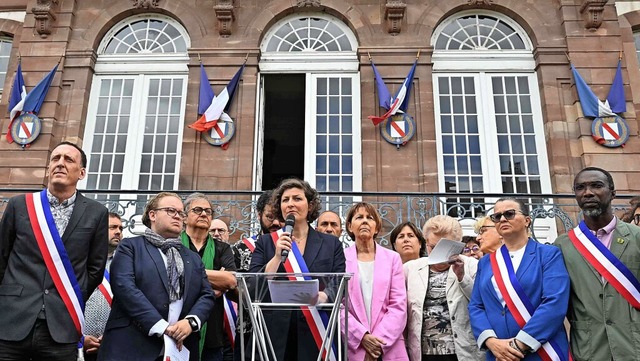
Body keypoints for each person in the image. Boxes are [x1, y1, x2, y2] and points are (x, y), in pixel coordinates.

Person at [0, 141, 108, 361]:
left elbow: (95, 268)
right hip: (11, 320)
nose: (60, 163)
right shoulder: (19, 205)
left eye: (69, 160)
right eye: (55, 159)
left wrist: (70, 296)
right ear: (48, 168)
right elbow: (2, 256)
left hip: (61, 325)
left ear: (82, 173)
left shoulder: (97, 213)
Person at [98, 192, 215, 361]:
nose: (178, 216)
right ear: (152, 215)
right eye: (170, 210)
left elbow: (207, 294)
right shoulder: (130, 247)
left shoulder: (192, 257)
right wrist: (162, 327)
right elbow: (125, 288)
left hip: (180, 347)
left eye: (181, 213)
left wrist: (190, 322)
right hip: (132, 345)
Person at [248, 178, 345, 361]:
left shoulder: (331, 244)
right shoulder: (266, 242)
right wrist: (277, 258)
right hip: (275, 336)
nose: (291, 204)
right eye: (285, 200)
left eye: (297, 198)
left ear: (310, 205)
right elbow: (253, 286)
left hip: (317, 331)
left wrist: (324, 296)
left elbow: (339, 281)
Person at [554, 167, 640, 360]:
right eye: (580, 187)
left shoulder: (636, 238)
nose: (588, 192)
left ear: (613, 193)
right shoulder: (561, 245)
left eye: (596, 185)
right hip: (589, 350)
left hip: (634, 347)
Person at [469, 198, 570, 361]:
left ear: (527, 221)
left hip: (542, 350)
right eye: (497, 216)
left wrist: (518, 345)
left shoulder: (548, 254)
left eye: (509, 214)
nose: (502, 219)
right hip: (498, 354)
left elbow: (554, 302)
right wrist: (491, 342)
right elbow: (476, 306)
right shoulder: (485, 263)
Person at [404, 215, 483, 361]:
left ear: (458, 245)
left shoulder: (472, 265)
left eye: (445, 248)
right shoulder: (410, 269)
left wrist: (462, 277)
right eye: (433, 247)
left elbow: (481, 302)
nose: (437, 253)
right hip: (423, 353)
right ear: (426, 242)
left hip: (463, 352)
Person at [341, 202, 408, 360]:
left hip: (389, 347)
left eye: (369, 218)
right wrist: (362, 338)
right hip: (355, 348)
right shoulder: (341, 259)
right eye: (359, 217)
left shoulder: (393, 258)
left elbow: (398, 305)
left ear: (376, 228)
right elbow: (339, 306)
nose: (364, 221)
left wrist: (377, 344)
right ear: (350, 226)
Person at [181, 193, 237, 361]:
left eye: (208, 211)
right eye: (197, 210)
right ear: (184, 217)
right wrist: (213, 281)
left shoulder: (223, 248)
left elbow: (230, 280)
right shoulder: (173, 244)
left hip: (212, 332)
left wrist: (185, 272)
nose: (204, 214)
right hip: (176, 326)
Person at [83, 213, 124, 361]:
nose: (118, 231)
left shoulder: (126, 265)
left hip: (113, 347)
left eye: (120, 228)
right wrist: (81, 339)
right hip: (77, 346)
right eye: (113, 227)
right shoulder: (80, 261)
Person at [232, 190, 282, 273]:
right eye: (270, 217)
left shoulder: (296, 246)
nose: (276, 222)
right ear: (259, 215)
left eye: (281, 217)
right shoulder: (241, 248)